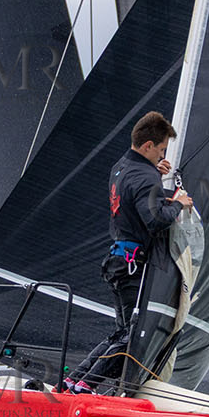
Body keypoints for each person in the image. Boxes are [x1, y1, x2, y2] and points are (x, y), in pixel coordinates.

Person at [62, 111, 194, 394]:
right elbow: (156, 220)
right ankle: (84, 384)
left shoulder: (122, 167)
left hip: (117, 261)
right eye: (160, 150)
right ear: (147, 145)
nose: (162, 157)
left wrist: (154, 172)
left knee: (122, 333)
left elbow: (135, 192)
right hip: (133, 266)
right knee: (132, 337)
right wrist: (178, 203)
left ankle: (74, 380)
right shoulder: (145, 177)